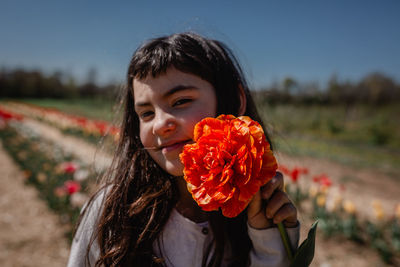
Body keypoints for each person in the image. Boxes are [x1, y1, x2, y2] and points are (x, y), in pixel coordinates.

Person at [67, 32, 299, 267]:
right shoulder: (111, 214)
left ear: (235, 100)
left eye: (180, 101)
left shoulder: (261, 221)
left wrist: (268, 238)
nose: (159, 125)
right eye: (146, 113)